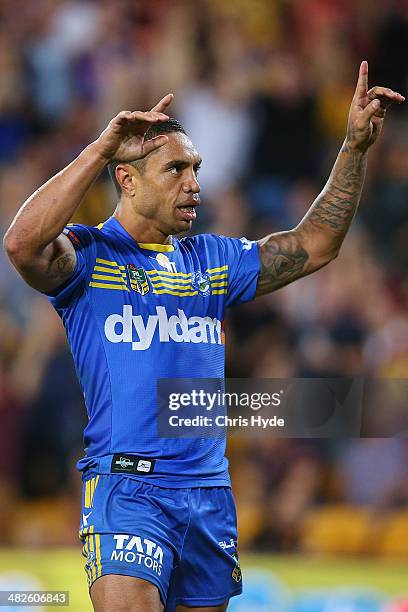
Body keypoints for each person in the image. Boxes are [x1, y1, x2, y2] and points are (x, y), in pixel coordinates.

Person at [4, 62, 403, 612]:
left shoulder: (213, 260)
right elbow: (22, 245)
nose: (194, 182)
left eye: (196, 168)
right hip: (128, 489)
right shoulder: (87, 256)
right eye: (175, 169)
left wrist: (355, 147)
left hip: (209, 494)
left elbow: (316, 244)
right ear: (128, 179)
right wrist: (99, 149)